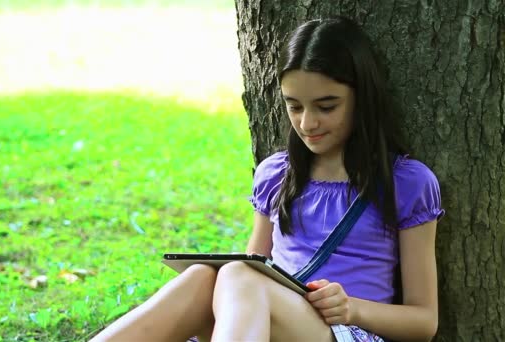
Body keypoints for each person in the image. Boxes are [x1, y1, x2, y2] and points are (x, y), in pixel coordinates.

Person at [92, 16, 444, 342]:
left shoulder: (406, 182)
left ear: (361, 98)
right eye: (294, 106)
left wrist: (352, 307)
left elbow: (424, 322)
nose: (307, 123)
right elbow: (252, 268)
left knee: (237, 275)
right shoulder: (278, 174)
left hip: (348, 332)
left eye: (327, 106)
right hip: (272, 321)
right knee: (205, 276)